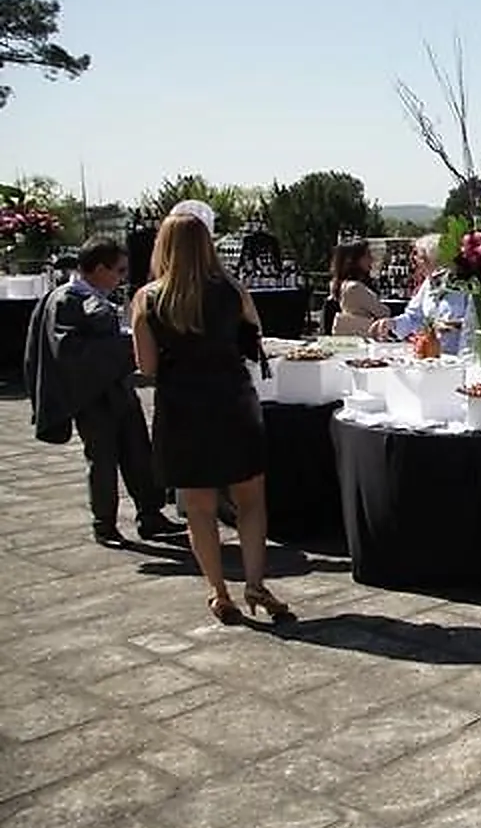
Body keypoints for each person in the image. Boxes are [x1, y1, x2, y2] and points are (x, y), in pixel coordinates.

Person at [131, 213, 290, 624]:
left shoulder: (147, 299)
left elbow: (147, 368)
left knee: (199, 508)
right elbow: (255, 343)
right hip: (233, 402)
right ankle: (255, 582)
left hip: (182, 408)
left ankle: (218, 592)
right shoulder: (233, 291)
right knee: (250, 500)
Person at [23, 238, 184, 545]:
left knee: (138, 452)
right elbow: (70, 351)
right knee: (103, 459)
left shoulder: (94, 297)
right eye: (118, 270)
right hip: (93, 396)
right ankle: (104, 523)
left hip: (119, 389)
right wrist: (128, 346)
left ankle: (150, 514)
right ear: (99, 269)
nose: (122, 277)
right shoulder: (67, 300)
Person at [372, 234, 470, 353]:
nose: (415, 261)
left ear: (433, 259)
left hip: (459, 356)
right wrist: (392, 323)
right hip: (430, 354)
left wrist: (455, 325)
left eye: (419, 256)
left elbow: (474, 323)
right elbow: (413, 317)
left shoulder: (467, 286)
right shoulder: (429, 284)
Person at [328, 240, 389, 337]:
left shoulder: (341, 284)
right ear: (355, 260)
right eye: (367, 255)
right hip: (363, 334)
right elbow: (384, 312)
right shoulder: (355, 288)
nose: (371, 259)